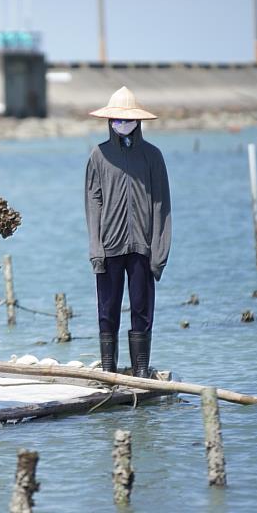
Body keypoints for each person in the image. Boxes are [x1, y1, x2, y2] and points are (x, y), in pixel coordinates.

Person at [84, 86, 172, 378]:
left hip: (142, 247)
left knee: (142, 310)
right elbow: (93, 202)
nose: (122, 124)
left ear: (138, 121)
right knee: (107, 311)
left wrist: (159, 252)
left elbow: (161, 204)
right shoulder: (99, 155)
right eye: (117, 120)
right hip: (109, 247)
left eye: (128, 120)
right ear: (109, 121)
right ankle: (108, 371)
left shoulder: (152, 156)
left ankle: (141, 370)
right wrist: (96, 247)